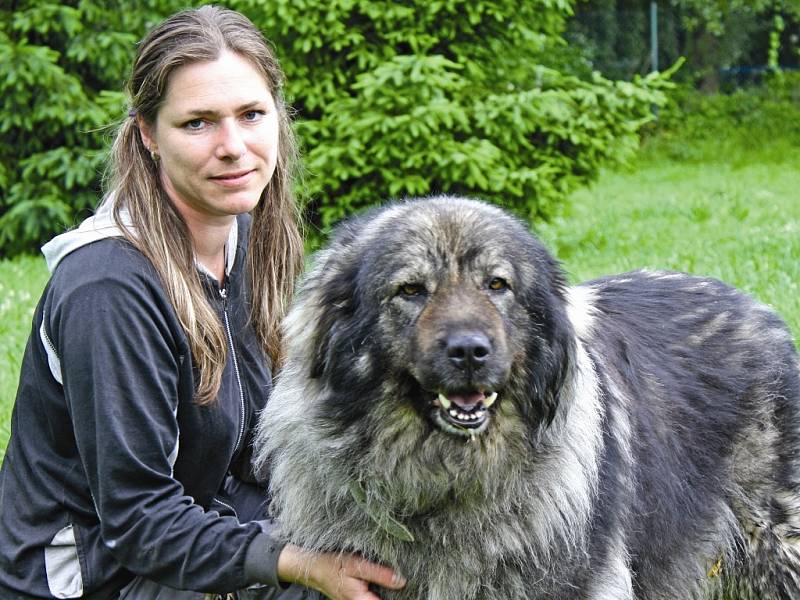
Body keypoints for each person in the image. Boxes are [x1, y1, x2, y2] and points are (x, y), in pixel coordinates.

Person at [0, 6, 405, 600]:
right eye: (198, 123)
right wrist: (299, 562)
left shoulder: (246, 235)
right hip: (98, 578)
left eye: (251, 115)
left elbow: (260, 446)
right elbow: (140, 519)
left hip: (202, 528)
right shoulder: (109, 288)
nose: (233, 147)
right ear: (147, 134)